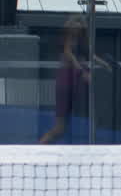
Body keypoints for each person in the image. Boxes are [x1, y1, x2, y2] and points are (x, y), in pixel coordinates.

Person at [39, 15, 111, 144]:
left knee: (81, 124)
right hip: (66, 83)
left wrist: (104, 64)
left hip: (77, 85)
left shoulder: (81, 42)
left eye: (80, 25)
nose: (78, 27)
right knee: (60, 128)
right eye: (75, 24)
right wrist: (82, 72)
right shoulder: (68, 41)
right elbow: (70, 56)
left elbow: (90, 55)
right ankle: (40, 146)